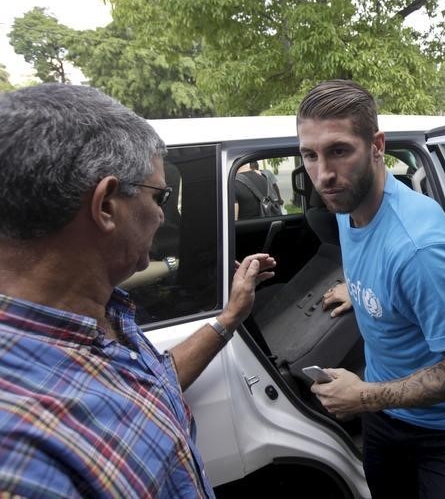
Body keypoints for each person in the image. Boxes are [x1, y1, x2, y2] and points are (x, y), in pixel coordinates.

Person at [0, 83, 276, 496]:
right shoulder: (22, 461)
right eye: (160, 195)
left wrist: (231, 315)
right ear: (106, 205)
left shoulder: (103, 315)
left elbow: (153, 383)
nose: (163, 214)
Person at [296, 79, 445, 499]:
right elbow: (377, 253)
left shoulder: (421, 252)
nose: (323, 175)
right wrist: (364, 289)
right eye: (309, 155)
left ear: (377, 146)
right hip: (385, 414)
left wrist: (363, 397)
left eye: (338, 151)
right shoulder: (350, 205)